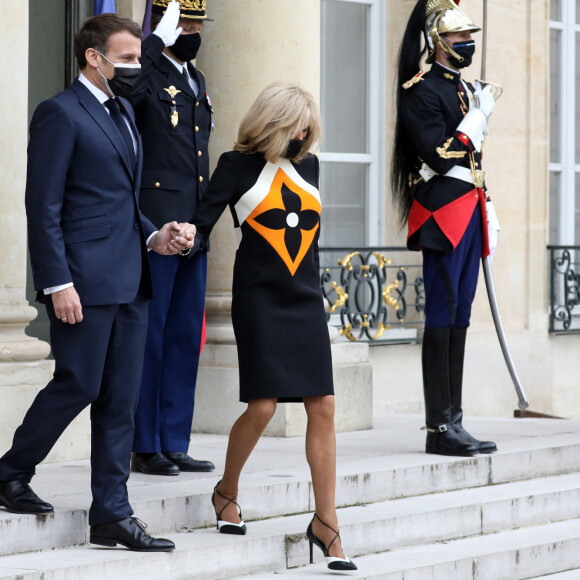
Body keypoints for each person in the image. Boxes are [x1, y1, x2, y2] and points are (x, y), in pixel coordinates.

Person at [0, 13, 196, 552]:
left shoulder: (125, 113)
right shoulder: (59, 114)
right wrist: (56, 282)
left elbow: (123, 204)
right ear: (94, 57)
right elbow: (43, 208)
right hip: (82, 282)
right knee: (79, 384)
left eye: (138, 58)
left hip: (132, 279)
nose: (136, 68)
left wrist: (158, 236)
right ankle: (10, 471)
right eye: (128, 58)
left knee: (120, 400)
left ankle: (112, 513)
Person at [189, 82, 357, 571]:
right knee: (262, 406)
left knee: (322, 404)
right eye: (295, 126)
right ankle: (227, 491)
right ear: (272, 125)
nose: (304, 134)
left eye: (309, 127)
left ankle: (327, 525)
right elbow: (201, 223)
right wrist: (178, 237)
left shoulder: (312, 166)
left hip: (305, 298)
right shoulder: (235, 166)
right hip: (259, 299)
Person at [391, 0, 499, 457]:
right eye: (459, 38)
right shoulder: (421, 89)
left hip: (469, 209)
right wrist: (478, 116)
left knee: (460, 317)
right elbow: (440, 154)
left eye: (469, 37)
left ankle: (455, 419)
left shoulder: (462, 88)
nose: (467, 44)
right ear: (438, 42)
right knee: (442, 314)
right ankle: (439, 427)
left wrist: (485, 203)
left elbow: (473, 160)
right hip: (441, 215)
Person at [128, 0, 215, 476]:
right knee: (152, 338)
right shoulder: (146, 69)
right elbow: (126, 99)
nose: (193, 30)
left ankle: (174, 439)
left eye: (198, 22)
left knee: (184, 337)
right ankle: (145, 443)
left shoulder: (195, 78)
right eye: (184, 22)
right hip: (157, 226)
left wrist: (200, 223)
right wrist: (152, 43)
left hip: (191, 228)